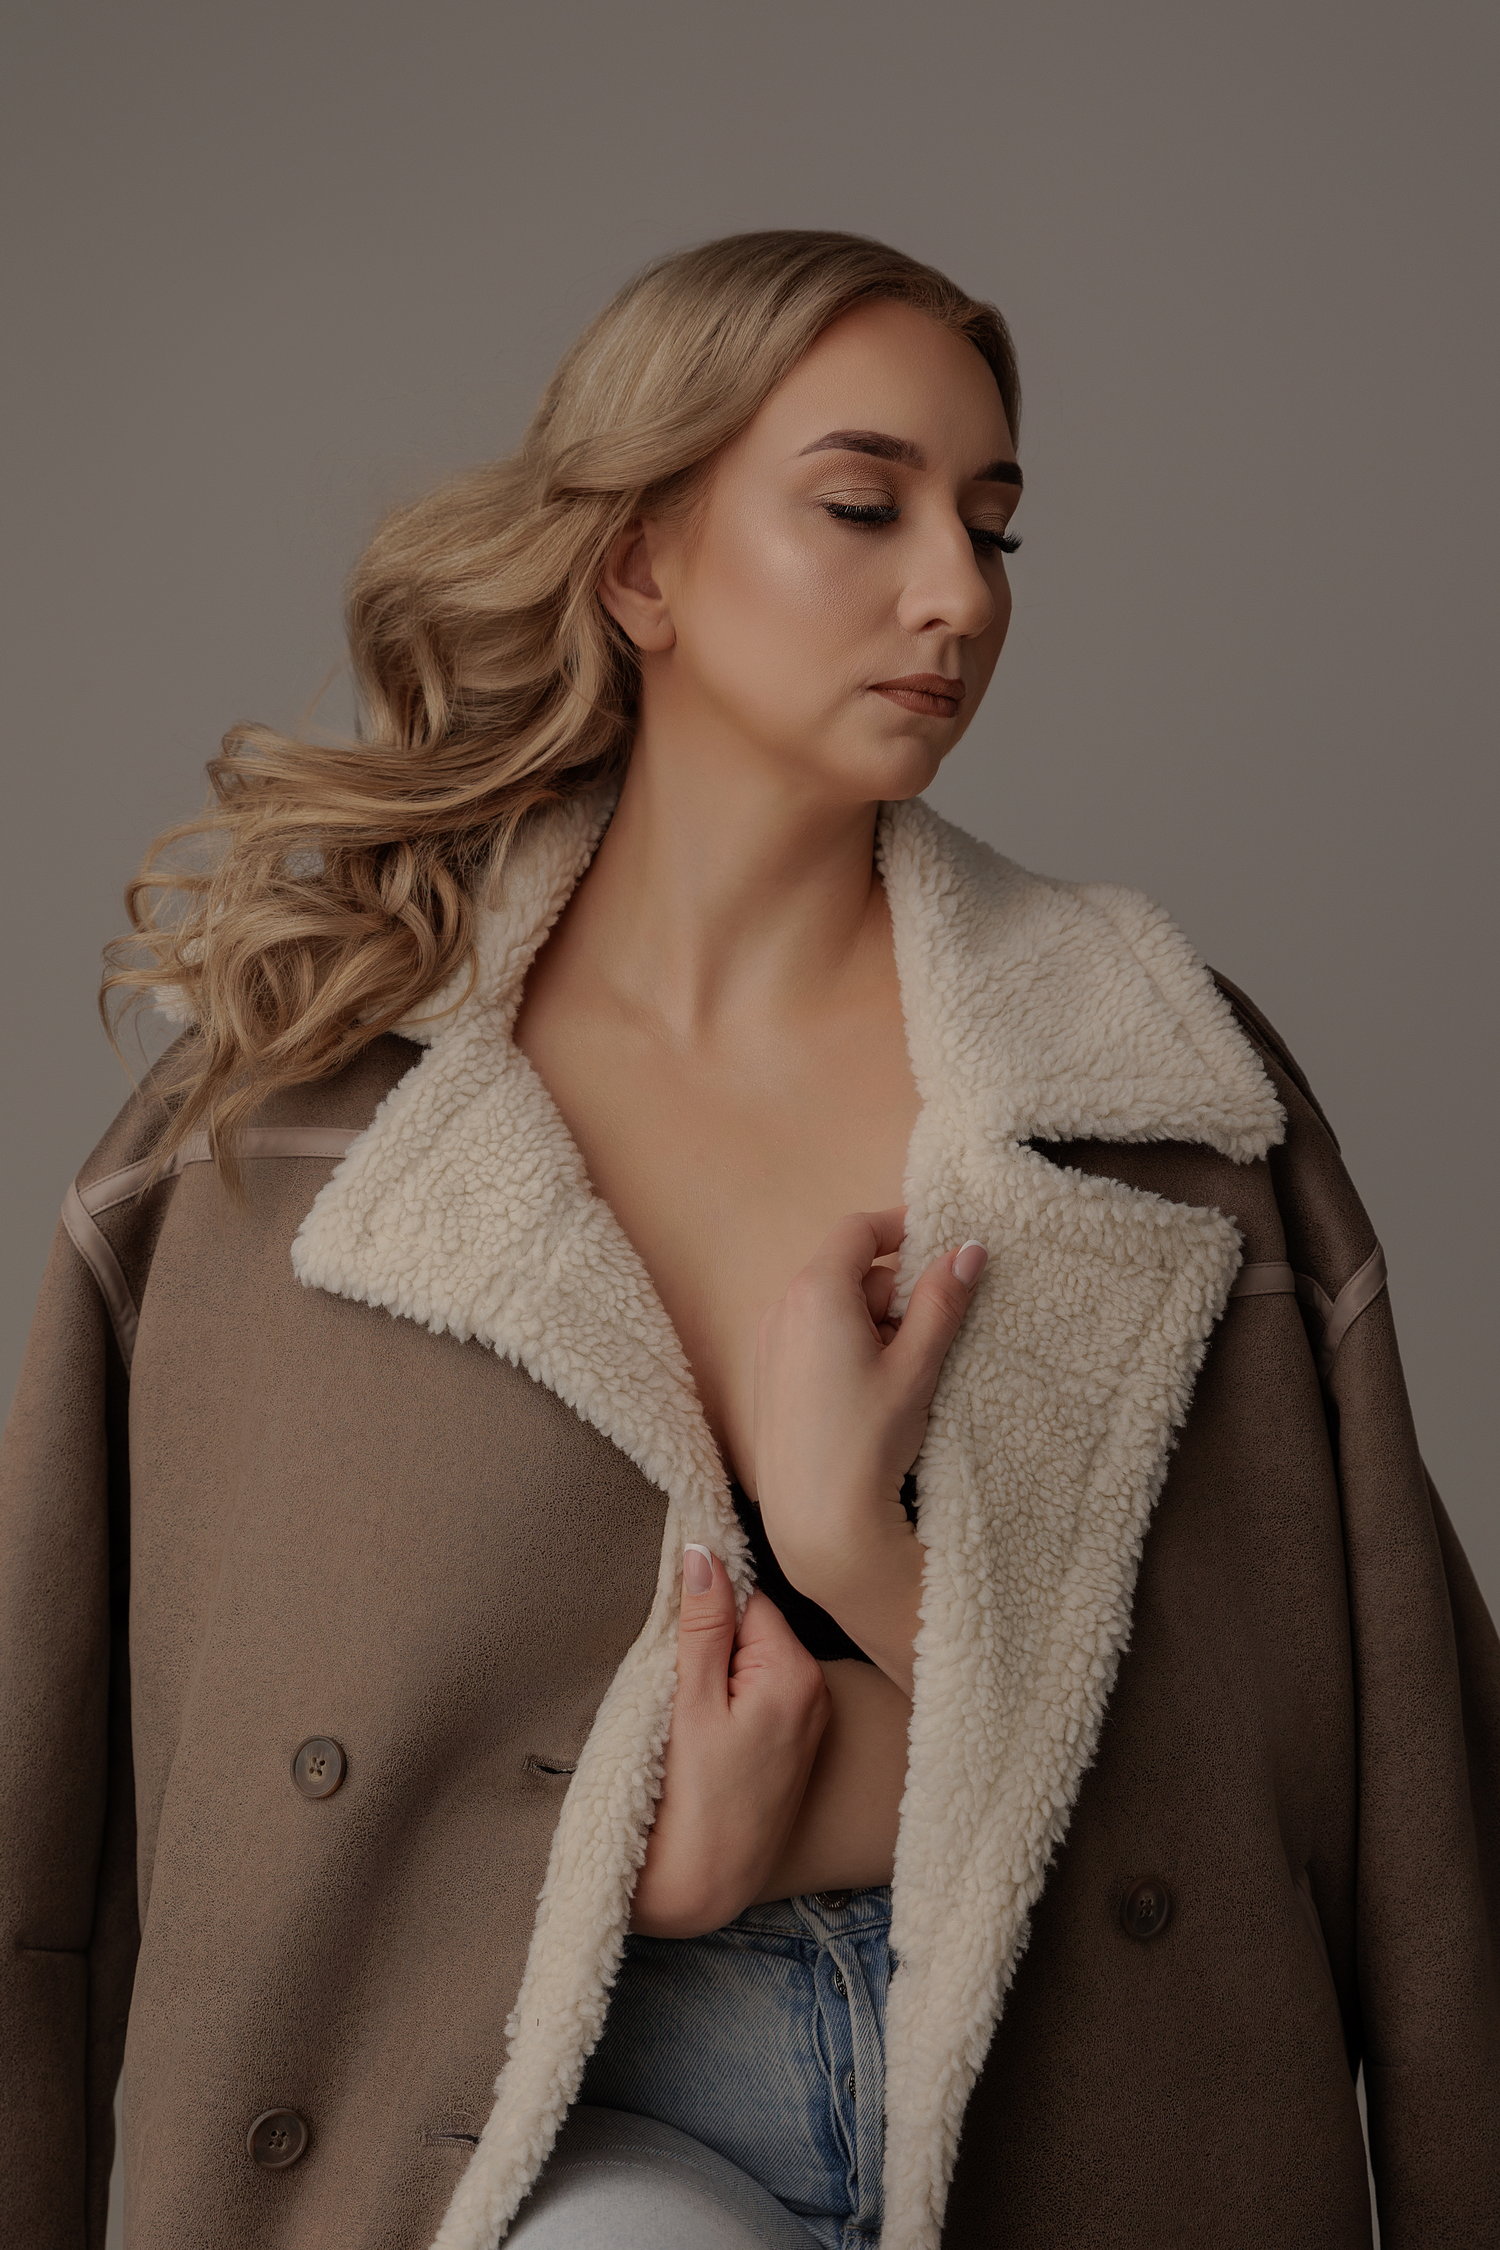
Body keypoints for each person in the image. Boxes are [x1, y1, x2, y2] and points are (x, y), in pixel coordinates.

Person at [0, 229, 1495, 2250]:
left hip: (1097, 2128)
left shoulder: (1172, 1101)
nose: (959, 592)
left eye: (993, 525)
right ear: (643, 565)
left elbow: (1403, 1812)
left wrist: (860, 1549)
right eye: (865, 507)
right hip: (579, 2149)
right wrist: (635, 1868)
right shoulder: (291, 1137)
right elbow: (80, 1831)